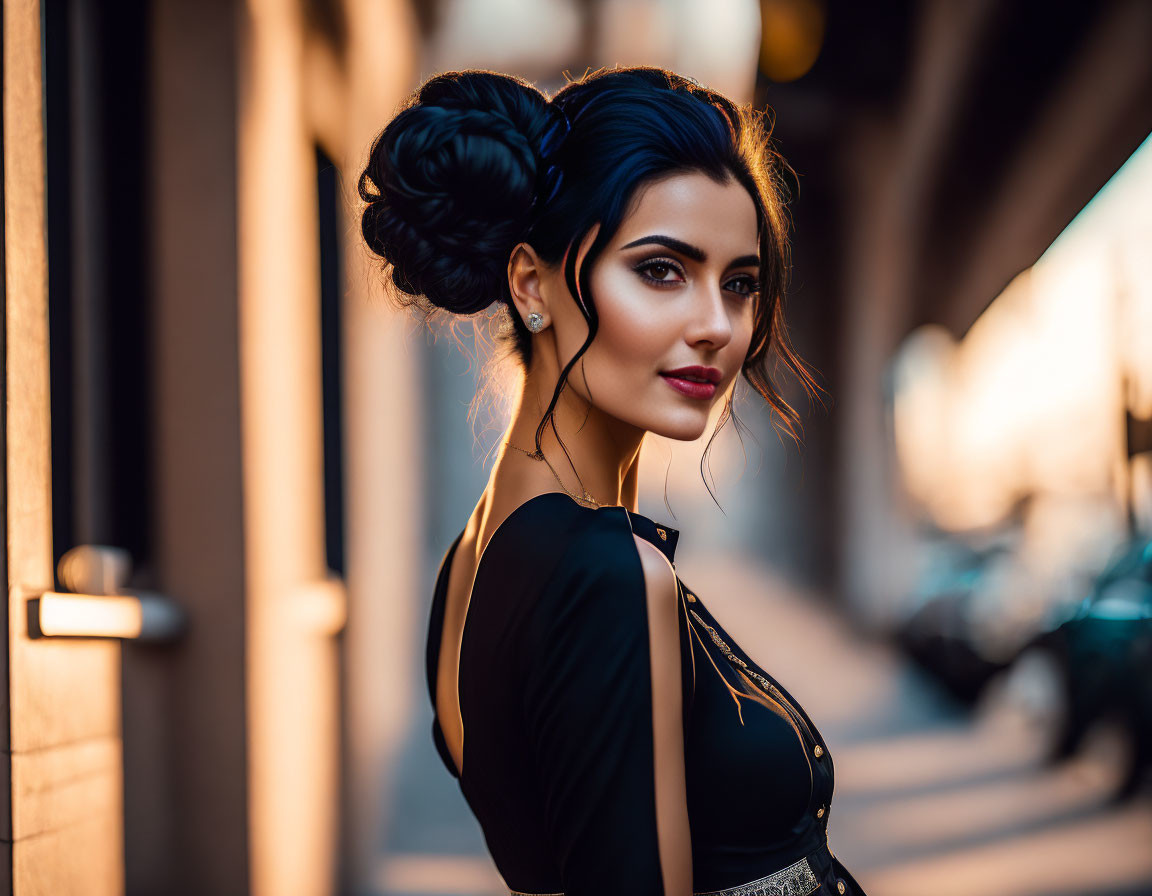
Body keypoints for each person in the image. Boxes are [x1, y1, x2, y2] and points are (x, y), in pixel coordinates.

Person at [358, 66, 868, 896]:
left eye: (739, 284)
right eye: (662, 270)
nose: (716, 326)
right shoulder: (607, 574)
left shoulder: (471, 562)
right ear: (532, 284)